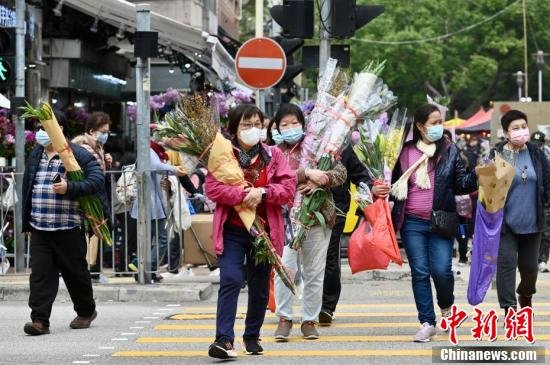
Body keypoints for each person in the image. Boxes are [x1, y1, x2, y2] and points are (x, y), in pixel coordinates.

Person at [205, 104, 296, 359]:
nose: (253, 129)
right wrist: (243, 195)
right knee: (231, 278)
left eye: (257, 124)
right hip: (232, 230)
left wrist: (263, 192)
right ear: (234, 128)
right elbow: (212, 188)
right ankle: (224, 339)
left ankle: (252, 335)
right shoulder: (223, 155)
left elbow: (288, 188)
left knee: (258, 285)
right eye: (246, 125)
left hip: (263, 232)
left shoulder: (274, 155)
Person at [391, 104, 477, 342]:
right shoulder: (403, 150)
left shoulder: (449, 149)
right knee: (419, 272)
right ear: (420, 126)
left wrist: (480, 173)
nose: (439, 126)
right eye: (434, 122)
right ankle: (427, 322)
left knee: (441, 271)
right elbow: (391, 182)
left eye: (441, 121)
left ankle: (447, 306)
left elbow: (461, 185)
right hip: (411, 222)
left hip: (441, 220)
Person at [22, 114, 110, 335]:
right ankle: (39, 320)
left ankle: (86, 310)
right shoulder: (36, 154)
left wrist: (69, 187)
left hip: (68, 226)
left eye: (45, 127)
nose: (41, 132)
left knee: (75, 274)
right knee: (41, 275)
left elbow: (97, 180)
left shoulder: (76, 153)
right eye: (38, 128)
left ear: (58, 127)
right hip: (40, 226)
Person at [272, 104, 347, 341]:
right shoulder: (274, 153)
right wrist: (306, 174)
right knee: (285, 270)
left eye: (294, 123)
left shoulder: (319, 147)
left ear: (304, 125)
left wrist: (321, 180)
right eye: (285, 124)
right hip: (285, 220)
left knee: (315, 272)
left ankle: (308, 320)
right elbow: (274, 180)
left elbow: (341, 172)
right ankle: (284, 318)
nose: (290, 128)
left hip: (317, 218)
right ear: (277, 128)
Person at [492, 110, 550, 314]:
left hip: (533, 223)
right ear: (506, 133)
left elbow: (547, 184)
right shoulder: (497, 154)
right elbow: (488, 190)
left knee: (530, 270)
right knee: (506, 266)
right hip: (505, 224)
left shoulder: (537, 153)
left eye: (523, 126)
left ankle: (525, 295)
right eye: (515, 128)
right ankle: (509, 309)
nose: (521, 131)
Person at [319, 145, 375, 324]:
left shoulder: (344, 149)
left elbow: (361, 175)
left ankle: (327, 307)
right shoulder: (310, 142)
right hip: (304, 211)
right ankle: (299, 307)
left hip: (335, 211)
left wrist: (371, 189)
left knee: (330, 259)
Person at [127, 139, 187, 282]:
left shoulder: (158, 152)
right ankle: (141, 265)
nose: (169, 140)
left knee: (151, 239)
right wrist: (174, 169)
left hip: (153, 202)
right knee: (163, 238)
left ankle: (147, 271)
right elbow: (154, 166)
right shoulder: (149, 151)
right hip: (150, 203)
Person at [71, 111, 113, 283]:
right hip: (91, 198)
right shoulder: (85, 150)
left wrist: (106, 162)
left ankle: (93, 271)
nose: (105, 136)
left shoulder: (98, 148)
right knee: (93, 234)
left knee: (97, 233)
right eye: (103, 132)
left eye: (107, 132)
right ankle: (91, 271)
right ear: (91, 131)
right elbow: (92, 176)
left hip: (96, 196)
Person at [531, 131, 550, 273]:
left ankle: (542, 259)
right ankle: (530, 259)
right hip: (530, 200)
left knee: (546, 231)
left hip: (544, 200)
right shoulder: (526, 155)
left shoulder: (546, 157)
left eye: (539, 144)